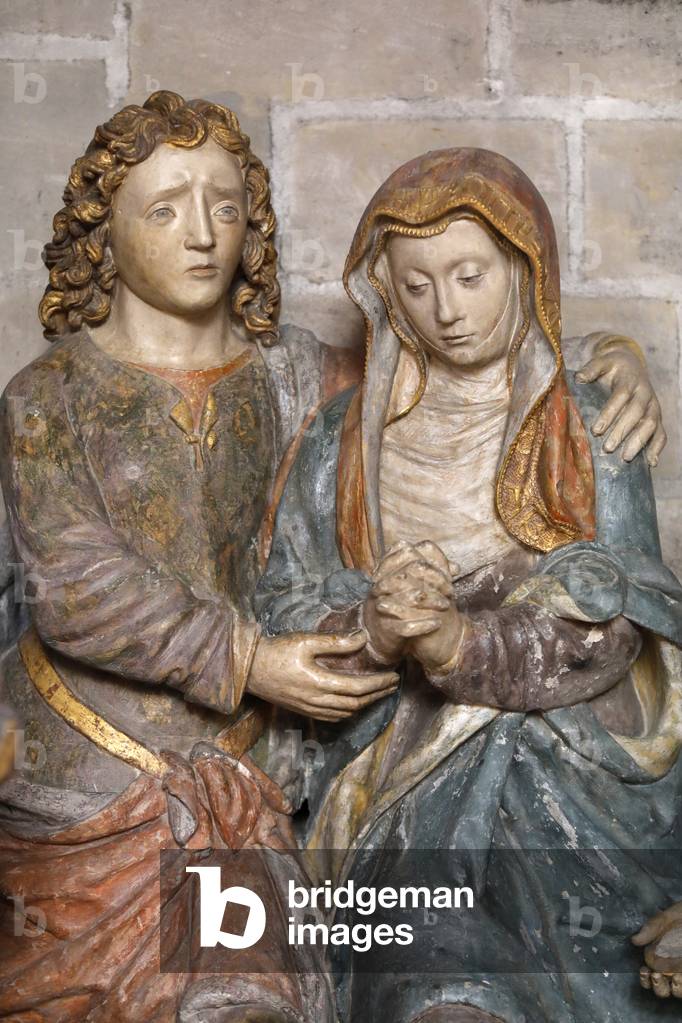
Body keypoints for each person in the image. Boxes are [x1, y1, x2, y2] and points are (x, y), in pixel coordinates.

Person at [256, 147, 682, 1022]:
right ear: (384, 292)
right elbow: (282, 603)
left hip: (578, 771)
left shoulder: (595, 421)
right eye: (415, 286)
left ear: (525, 271)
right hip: (394, 766)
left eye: (469, 275)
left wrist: (465, 644)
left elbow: (629, 614)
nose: (446, 311)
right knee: (432, 962)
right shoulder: (343, 440)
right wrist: (374, 625)